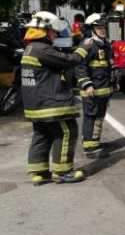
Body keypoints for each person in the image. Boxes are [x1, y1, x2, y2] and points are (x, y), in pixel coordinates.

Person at [21, 12, 85, 184]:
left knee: (42, 134)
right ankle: (62, 172)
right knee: (67, 132)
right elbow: (69, 60)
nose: (55, 34)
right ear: (44, 30)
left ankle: (39, 172)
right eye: (53, 31)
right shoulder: (42, 49)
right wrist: (83, 48)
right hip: (51, 103)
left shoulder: (30, 48)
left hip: (35, 104)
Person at [74, 13, 117, 158]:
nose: (102, 30)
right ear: (92, 29)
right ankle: (90, 148)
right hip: (92, 90)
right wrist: (87, 85)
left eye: (104, 27)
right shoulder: (88, 44)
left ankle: (95, 142)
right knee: (91, 116)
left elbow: (109, 66)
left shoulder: (106, 44)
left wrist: (114, 83)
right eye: (99, 28)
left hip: (103, 90)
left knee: (99, 116)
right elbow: (80, 66)